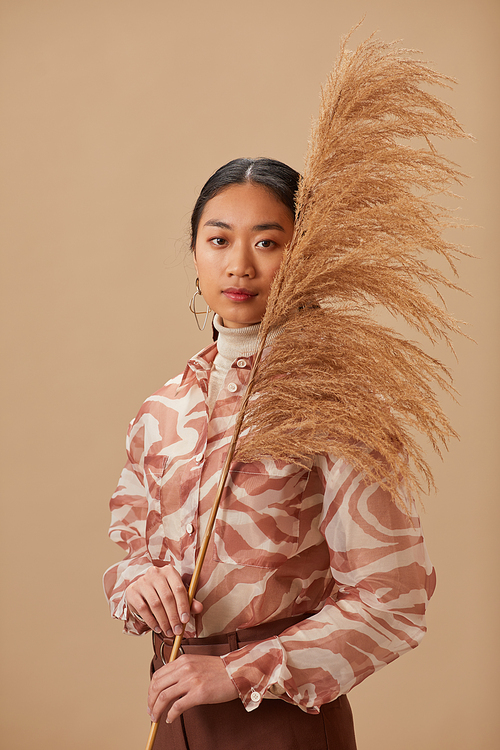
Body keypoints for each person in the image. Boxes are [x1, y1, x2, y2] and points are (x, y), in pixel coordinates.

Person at [103, 157, 435, 750]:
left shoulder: (334, 404)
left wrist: (236, 673)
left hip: (279, 721)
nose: (239, 265)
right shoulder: (163, 410)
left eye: (267, 241)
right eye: (219, 239)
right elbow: (129, 550)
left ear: (302, 254)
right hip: (172, 710)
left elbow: (395, 599)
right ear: (195, 252)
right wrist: (137, 581)